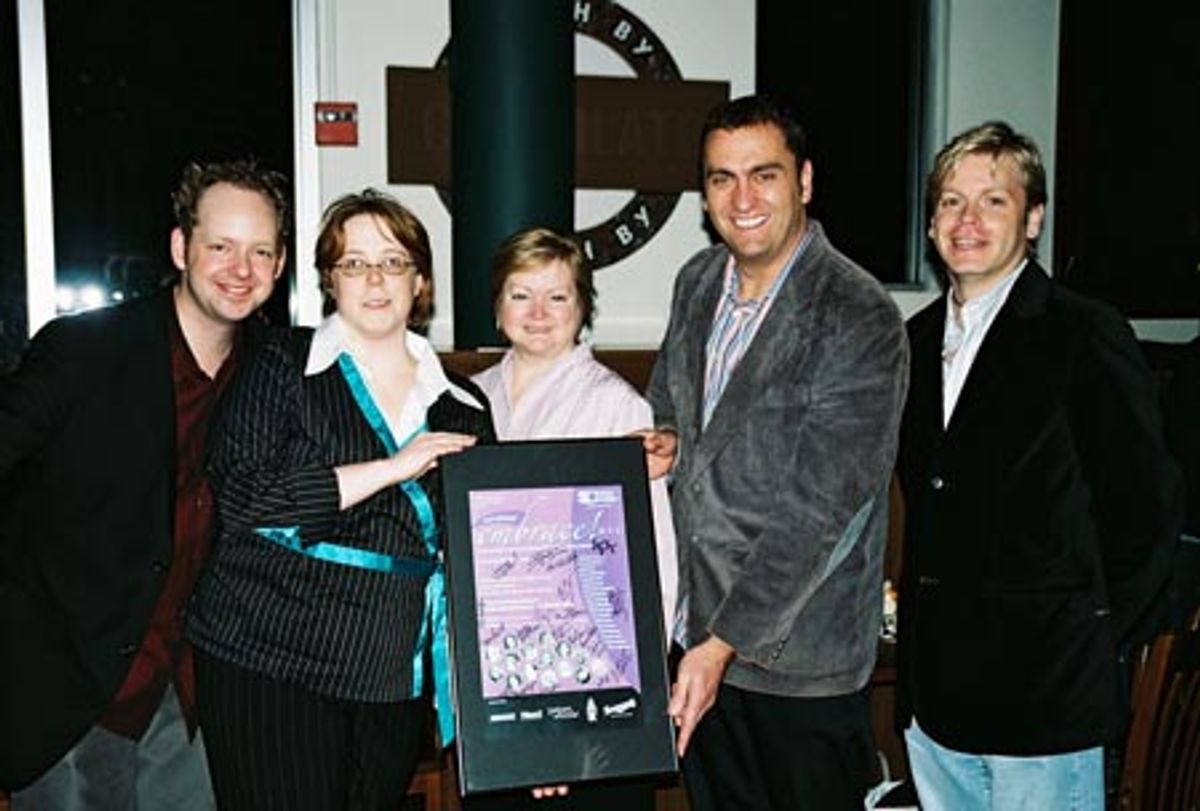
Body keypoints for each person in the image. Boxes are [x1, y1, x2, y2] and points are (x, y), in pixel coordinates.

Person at [894, 121, 1184, 810]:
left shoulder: (1083, 332)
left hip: (1044, 704)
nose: (967, 220)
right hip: (937, 698)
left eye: (992, 200)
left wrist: (1080, 638)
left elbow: (1149, 512)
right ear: (931, 222)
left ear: (1033, 219)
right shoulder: (913, 339)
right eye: (950, 201)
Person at [642, 94, 909, 810]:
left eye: (764, 174)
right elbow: (672, 400)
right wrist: (666, 436)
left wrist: (722, 641)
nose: (743, 196)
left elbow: (824, 511)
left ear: (806, 181)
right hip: (695, 637)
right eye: (722, 178)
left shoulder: (857, 312)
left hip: (798, 664)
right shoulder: (696, 282)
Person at [186, 189, 493, 810]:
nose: (375, 279)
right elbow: (243, 495)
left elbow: (487, 552)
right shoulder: (279, 363)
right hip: (269, 652)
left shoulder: (466, 404)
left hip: (392, 668)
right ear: (330, 280)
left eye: (394, 261)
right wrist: (390, 468)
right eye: (354, 264)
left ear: (421, 279)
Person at [0, 159, 289, 808]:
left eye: (260, 250)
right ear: (181, 247)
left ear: (279, 264)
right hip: (68, 697)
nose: (240, 269)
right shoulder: (84, 352)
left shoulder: (279, 373)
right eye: (220, 246)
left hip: (193, 701)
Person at [470, 227, 678, 810]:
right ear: (496, 305)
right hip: (496, 686)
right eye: (520, 294)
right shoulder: (466, 399)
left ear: (582, 307)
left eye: (557, 296)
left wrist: (586, 717)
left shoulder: (617, 407)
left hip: (588, 689)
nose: (538, 313)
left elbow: (651, 565)